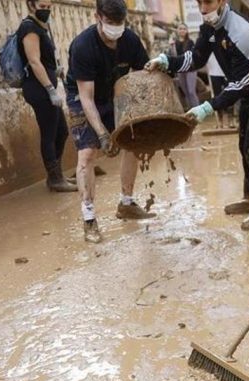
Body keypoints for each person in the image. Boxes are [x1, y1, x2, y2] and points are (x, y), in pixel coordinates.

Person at [145, 0, 249, 231]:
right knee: (244, 145)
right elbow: (196, 58)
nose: (202, 9)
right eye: (199, 2)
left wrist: (206, 107)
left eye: (208, 2)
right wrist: (166, 62)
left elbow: (239, 84)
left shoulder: (242, 31)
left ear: (222, 0)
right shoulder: (209, 27)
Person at [65, 0, 155, 243]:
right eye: (110, 22)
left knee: (133, 142)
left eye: (120, 22)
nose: (116, 28)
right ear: (98, 17)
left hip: (115, 91)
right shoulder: (83, 46)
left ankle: (126, 203)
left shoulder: (131, 41)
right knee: (87, 154)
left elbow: (143, 77)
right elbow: (87, 98)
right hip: (83, 97)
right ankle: (89, 218)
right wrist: (103, 134)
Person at [17, 0, 77, 193]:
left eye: (49, 7)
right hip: (38, 89)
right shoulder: (29, 27)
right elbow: (34, 61)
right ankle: (55, 179)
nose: (46, 11)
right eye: (42, 7)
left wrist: (55, 69)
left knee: (61, 132)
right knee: (50, 133)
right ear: (31, 5)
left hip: (44, 86)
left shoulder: (40, 27)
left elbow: (43, 59)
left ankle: (56, 175)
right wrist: (51, 89)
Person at [170, 23, 201, 108]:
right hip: (181, 69)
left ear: (187, 31)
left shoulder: (190, 42)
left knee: (191, 91)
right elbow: (173, 56)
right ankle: (191, 111)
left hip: (190, 69)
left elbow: (191, 55)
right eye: (180, 29)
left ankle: (197, 111)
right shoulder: (174, 43)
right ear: (177, 30)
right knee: (186, 92)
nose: (182, 30)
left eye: (184, 29)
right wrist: (172, 45)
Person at [206, 53, 236, 129]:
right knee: (217, 95)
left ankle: (230, 120)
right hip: (214, 72)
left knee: (230, 94)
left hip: (227, 70)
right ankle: (220, 121)